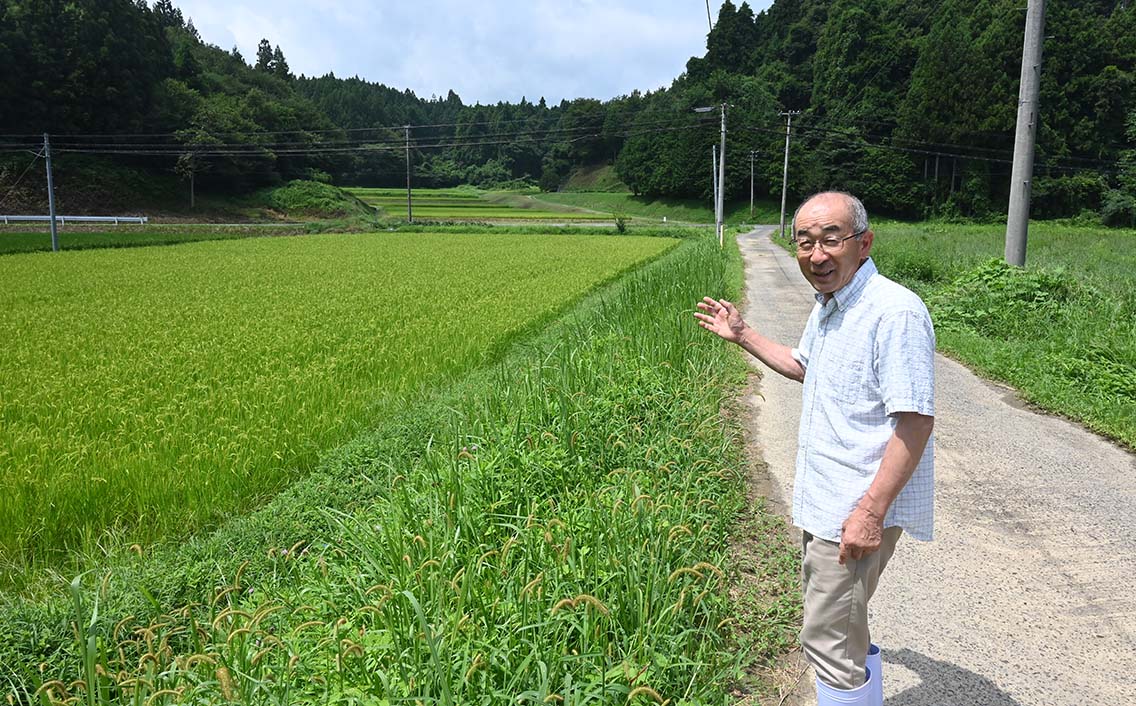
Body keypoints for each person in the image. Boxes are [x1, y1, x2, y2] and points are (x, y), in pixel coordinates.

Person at [694, 192, 935, 706]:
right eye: (805, 242)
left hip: (853, 505)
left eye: (832, 239)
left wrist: (870, 512)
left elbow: (915, 421)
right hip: (829, 501)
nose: (817, 254)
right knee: (845, 626)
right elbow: (807, 366)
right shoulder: (832, 305)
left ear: (864, 243)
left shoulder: (894, 313)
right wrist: (743, 334)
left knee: (826, 639)